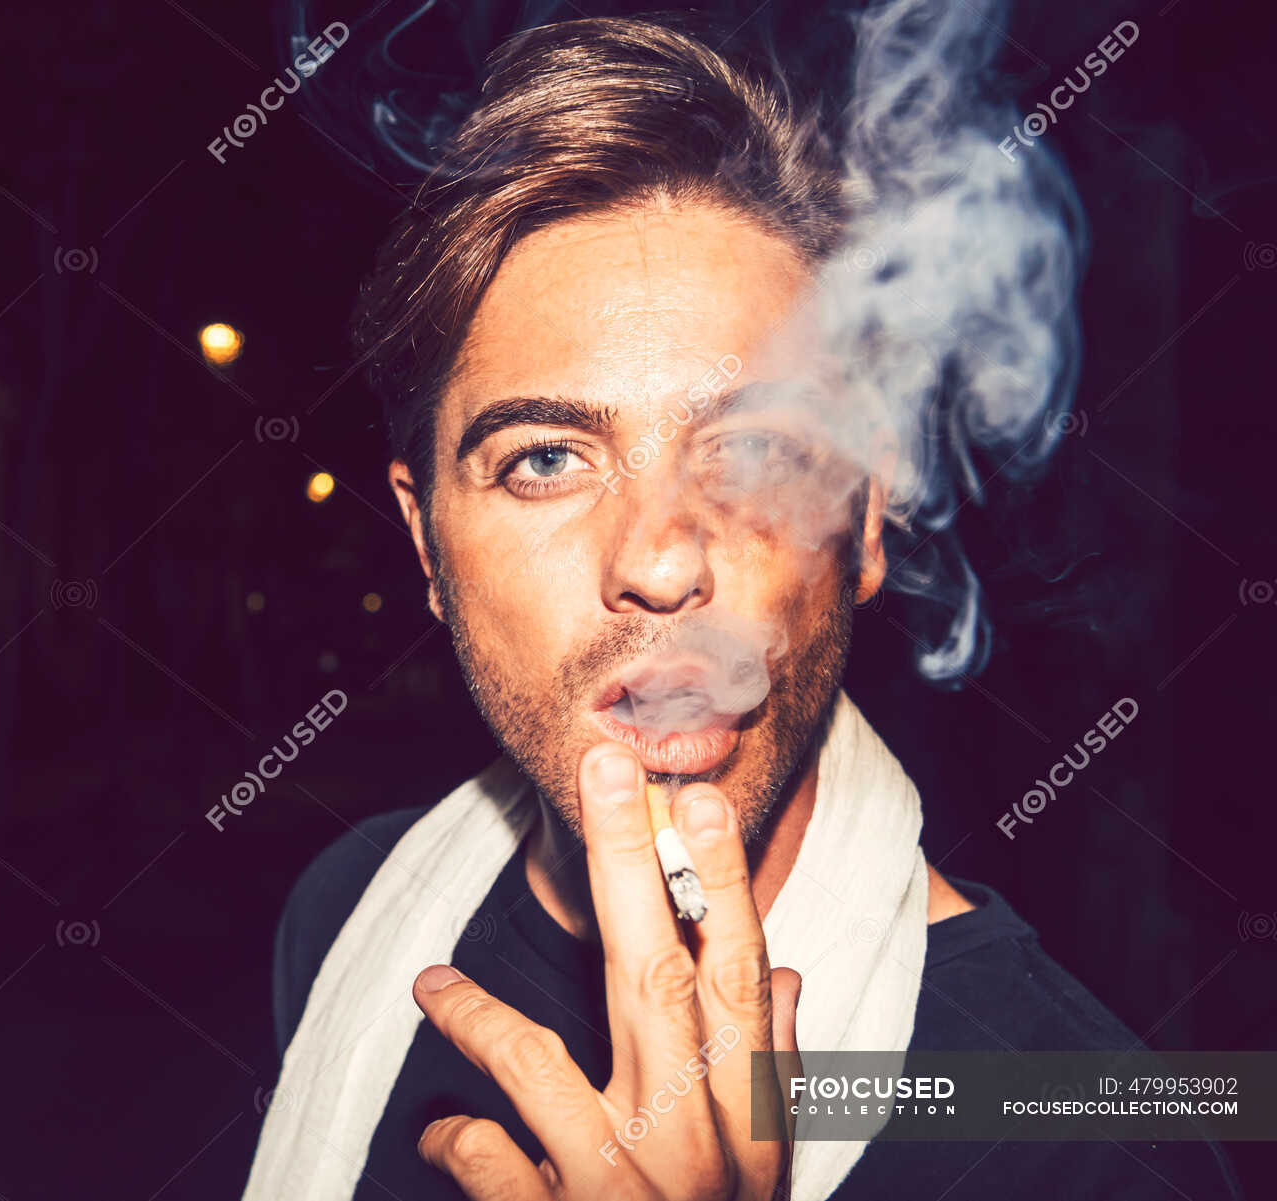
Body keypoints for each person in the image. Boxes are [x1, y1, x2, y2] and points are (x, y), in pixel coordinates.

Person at [242, 14, 1241, 1201]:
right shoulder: (349, 906)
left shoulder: (1083, 1138)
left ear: (866, 521)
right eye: (545, 458)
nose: (662, 562)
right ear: (425, 541)